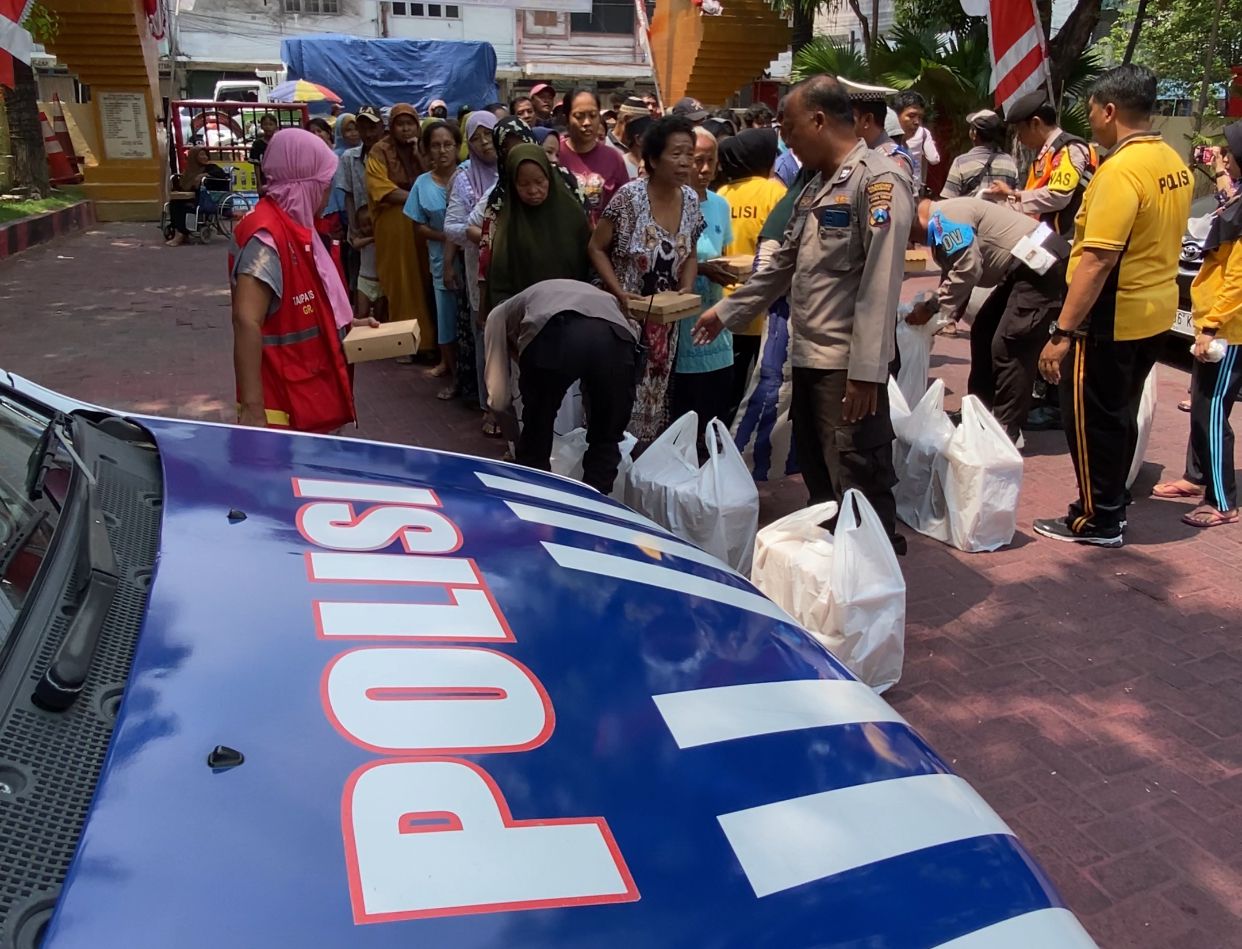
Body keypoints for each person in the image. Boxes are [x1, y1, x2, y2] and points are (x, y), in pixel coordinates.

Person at [693, 75, 913, 553]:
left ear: (818, 120)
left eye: (789, 129)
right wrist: (729, 311)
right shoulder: (815, 184)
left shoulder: (879, 182)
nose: (785, 141)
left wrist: (866, 374)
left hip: (850, 367)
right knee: (821, 480)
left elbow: (881, 283)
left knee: (858, 484)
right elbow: (785, 263)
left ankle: (871, 584)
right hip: (811, 358)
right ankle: (835, 581)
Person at [1033, 65, 1193, 547]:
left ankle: (1097, 518)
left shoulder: (1119, 171)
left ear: (1109, 110)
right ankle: (1112, 505)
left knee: (1090, 418)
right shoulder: (1173, 161)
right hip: (1154, 311)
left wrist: (1062, 333)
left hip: (1111, 316)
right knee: (1117, 412)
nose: (1091, 124)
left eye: (1091, 113)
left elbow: (1098, 259)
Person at [230, 128, 374, 433]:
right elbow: (246, 320)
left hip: (309, 392)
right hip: (282, 406)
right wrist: (254, 411)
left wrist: (346, 325)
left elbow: (313, 297)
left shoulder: (299, 228)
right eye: (323, 185)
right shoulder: (267, 237)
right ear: (304, 185)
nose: (326, 195)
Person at [913, 196, 1069, 442]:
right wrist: (939, 319)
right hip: (1022, 265)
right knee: (984, 330)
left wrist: (933, 307)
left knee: (1009, 344)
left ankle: (1004, 431)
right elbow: (956, 274)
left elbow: (968, 268)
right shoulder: (941, 224)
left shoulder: (945, 218)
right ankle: (977, 416)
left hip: (1040, 264)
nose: (911, 241)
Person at [589, 115, 702, 442]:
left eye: (689, 154)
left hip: (666, 328)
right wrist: (620, 293)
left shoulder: (691, 200)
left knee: (655, 403)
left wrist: (687, 287)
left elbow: (691, 253)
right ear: (653, 159)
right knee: (617, 403)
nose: (685, 163)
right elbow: (595, 248)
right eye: (676, 154)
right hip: (623, 323)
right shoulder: (629, 198)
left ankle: (640, 474)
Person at [1153, 122, 1242, 528]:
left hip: (1229, 330)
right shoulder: (1237, 199)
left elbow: (1239, 279)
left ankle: (1222, 500)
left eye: (1229, 152)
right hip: (1213, 322)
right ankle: (1196, 477)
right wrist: (1221, 173)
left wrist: (1212, 325)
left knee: (1212, 411)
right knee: (1202, 404)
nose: (1223, 157)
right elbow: (1226, 199)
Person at [485, 279, 639, 493]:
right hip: (617, 337)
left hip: (556, 333)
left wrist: (514, 439)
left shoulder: (497, 315)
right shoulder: (561, 292)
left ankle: (536, 503)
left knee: (537, 433)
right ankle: (595, 510)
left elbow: (498, 398)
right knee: (606, 438)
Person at [715, 128, 786, 417]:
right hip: (762, 304)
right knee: (762, 381)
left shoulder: (722, 194)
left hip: (725, 304)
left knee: (729, 381)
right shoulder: (775, 191)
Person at [673, 127, 735, 443]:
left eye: (711, 161)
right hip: (677, 333)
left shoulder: (720, 205)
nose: (705, 170)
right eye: (698, 161)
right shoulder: (666, 204)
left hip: (716, 326)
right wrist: (704, 270)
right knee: (682, 419)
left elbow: (723, 253)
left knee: (713, 424)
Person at [481, 143, 591, 323]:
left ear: (549, 177)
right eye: (523, 184)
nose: (532, 191)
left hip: (576, 315)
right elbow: (500, 284)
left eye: (539, 182)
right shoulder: (508, 226)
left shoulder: (573, 216)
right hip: (527, 322)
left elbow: (591, 263)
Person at [445, 110, 500, 429]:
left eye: (488, 134)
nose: (483, 143)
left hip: (511, 266)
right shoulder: (465, 176)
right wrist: (481, 235)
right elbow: (451, 225)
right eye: (475, 137)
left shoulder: (512, 168)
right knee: (485, 333)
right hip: (476, 265)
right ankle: (488, 404)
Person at [365, 103, 435, 353]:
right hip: (395, 224)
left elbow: (437, 179)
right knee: (402, 282)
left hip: (423, 224)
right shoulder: (379, 150)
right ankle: (405, 344)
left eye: (410, 124)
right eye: (400, 124)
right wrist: (416, 197)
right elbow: (380, 188)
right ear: (391, 127)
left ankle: (430, 342)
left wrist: (417, 153)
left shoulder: (426, 148)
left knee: (427, 279)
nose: (406, 129)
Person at [985, 91, 1097, 239]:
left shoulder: (1070, 149)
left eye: (1020, 131)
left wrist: (1014, 195)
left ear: (1035, 123)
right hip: (1046, 237)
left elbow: (1057, 195)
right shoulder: (1047, 152)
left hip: (1068, 241)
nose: (1018, 139)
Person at [405, 119, 464, 398]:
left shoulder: (468, 176)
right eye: (436, 146)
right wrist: (448, 236)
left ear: (458, 147)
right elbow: (419, 227)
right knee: (447, 321)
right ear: (427, 151)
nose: (442, 151)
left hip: (472, 261)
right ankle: (454, 378)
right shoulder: (422, 184)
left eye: (448, 145)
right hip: (442, 262)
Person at [558, 88, 631, 226]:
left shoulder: (613, 158)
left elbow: (624, 207)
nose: (587, 122)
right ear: (566, 118)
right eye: (579, 116)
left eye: (592, 115)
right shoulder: (556, 154)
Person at [337, 105, 385, 300]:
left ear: (382, 127)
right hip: (362, 230)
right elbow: (348, 195)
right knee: (362, 283)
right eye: (362, 128)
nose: (368, 133)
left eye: (372, 127)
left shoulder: (390, 155)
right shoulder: (349, 158)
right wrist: (353, 227)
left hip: (386, 228)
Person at [840, 78, 915, 187]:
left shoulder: (889, 160)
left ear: (867, 120)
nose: (842, 124)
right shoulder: (862, 153)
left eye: (848, 118)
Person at [940, 110, 1019, 198]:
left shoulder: (961, 163)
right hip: (1002, 211)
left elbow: (948, 199)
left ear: (974, 133)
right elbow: (1015, 195)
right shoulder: (1009, 162)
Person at [166, 146, 230, 247]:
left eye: (205, 155)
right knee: (174, 203)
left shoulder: (211, 167)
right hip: (190, 196)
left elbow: (221, 175)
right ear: (193, 157)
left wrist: (204, 175)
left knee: (184, 207)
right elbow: (182, 186)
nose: (204, 157)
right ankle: (180, 232)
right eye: (201, 155)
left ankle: (181, 234)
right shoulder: (189, 170)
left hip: (205, 198)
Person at [894, 91, 939, 190]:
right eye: (911, 116)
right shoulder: (885, 146)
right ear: (895, 115)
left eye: (920, 117)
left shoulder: (909, 145)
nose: (917, 122)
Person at [249, 112, 279, 185]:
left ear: (276, 126)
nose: (268, 127)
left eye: (271, 124)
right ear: (261, 126)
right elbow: (256, 166)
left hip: (279, 179)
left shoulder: (280, 142)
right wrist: (259, 184)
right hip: (264, 180)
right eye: (265, 124)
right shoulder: (257, 144)